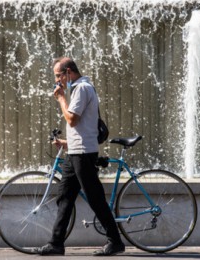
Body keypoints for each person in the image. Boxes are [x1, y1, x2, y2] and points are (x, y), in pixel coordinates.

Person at [33, 57, 125, 256]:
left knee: (95, 199)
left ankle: (115, 240)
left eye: (59, 76)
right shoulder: (78, 88)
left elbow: (72, 119)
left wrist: (61, 98)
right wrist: (67, 143)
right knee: (64, 197)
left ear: (68, 72)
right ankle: (56, 243)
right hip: (75, 152)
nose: (57, 81)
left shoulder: (82, 88)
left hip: (83, 154)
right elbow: (83, 126)